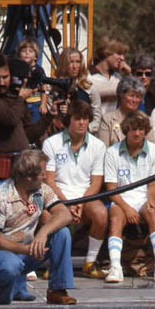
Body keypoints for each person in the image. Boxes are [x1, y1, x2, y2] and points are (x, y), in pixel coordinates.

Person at [0, 149, 76, 305]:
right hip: (4, 253)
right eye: (42, 173)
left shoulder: (42, 190)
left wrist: (43, 233)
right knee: (9, 268)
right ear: (29, 177)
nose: (45, 177)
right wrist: (25, 250)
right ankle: (0, 291)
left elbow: (65, 214)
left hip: (30, 249)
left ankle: (57, 290)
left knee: (62, 233)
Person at [42, 100, 108, 279]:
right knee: (47, 215)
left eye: (85, 119)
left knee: (101, 213)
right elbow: (49, 181)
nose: (82, 123)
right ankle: (54, 263)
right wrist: (67, 204)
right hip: (58, 196)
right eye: (77, 118)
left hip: (85, 198)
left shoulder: (98, 145)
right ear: (68, 120)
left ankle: (90, 262)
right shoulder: (51, 143)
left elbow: (96, 183)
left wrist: (79, 203)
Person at [0, 54, 56, 191]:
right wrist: (21, 99)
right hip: (1, 170)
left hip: (24, 167)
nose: (1, 83)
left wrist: (50, 115)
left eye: (5, 77)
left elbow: (29, 134)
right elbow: (9, 119)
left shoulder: (15, 99)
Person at [104, 111, 155, 283]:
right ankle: (115, 267)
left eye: (141, 129)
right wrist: (127, 209)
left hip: (145, 197)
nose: (137, 133)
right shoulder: (112, 152)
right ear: (126, 131)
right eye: (133, 129)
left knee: (153, 214)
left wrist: (151, 201)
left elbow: (153, 184)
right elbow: (111, 188)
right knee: (116, 219)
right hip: (121, 198)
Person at [55, 48, 102, 134]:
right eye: (71, 62)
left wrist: (86, 130)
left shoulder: (89, 88)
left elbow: (97, 116)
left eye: (78, 62)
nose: (75, 66)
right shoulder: (54, 88)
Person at [97, 75, 151, 147]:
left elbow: (151, 149)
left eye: (138, 97)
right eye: (131, 95)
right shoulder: (107, 120)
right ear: (121, 95)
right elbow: (103, 148)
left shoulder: (146, 120)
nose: (134, 100)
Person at [90, 37, 130, 117]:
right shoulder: (89, 77)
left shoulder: (118, 78)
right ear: (106, 53)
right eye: (119, 53)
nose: (122, 58)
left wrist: (129, 74)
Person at [16, 37, 49, 123]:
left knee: (35, 125)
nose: (27, 53)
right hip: (22, 103)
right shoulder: (18, 70)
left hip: (36, 103)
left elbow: (44, 87)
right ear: (19, 55)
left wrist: (43, 104)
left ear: (35, 56)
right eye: (23, 51)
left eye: (30, 51)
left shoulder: (39, 70)